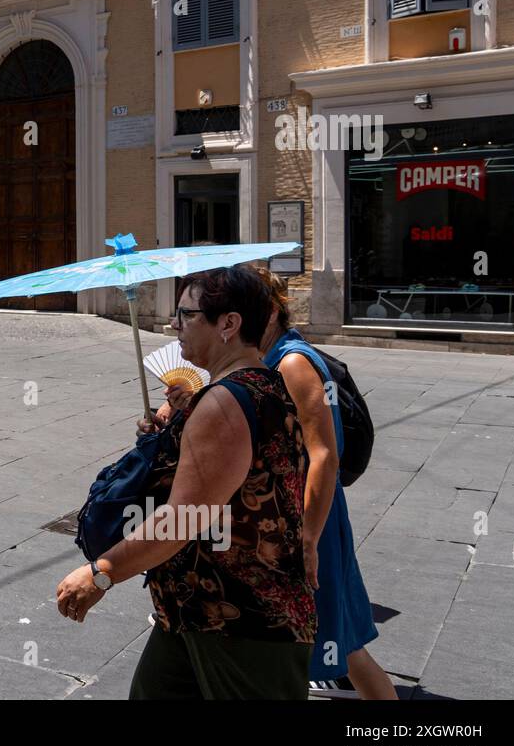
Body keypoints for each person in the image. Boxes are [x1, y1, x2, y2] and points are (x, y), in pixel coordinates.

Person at [55, 265, 315, 699]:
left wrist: (101, 573)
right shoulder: (260, 385)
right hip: (193, 610)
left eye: (187, 315)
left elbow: (184, 519)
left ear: (229, 324)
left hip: (240, 620)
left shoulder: (225, 403)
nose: (173, 325)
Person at [255, 267, 396, 700]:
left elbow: (324, 456)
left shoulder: (292, 362)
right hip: (303, 518)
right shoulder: (269, 358)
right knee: (340, 642)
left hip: (308, 518)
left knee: (322, 640)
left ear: (271, 312)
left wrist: (308, 539)